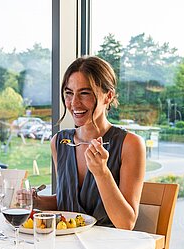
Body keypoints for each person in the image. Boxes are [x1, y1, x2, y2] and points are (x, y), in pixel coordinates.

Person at [34, 56, 146, 230]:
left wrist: (102, 173)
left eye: (85, 93)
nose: (74, 103)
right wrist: (36, 201)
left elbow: (126, 223)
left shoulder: (130, 144)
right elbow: (67, 201)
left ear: (108, 96)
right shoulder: (59, 142)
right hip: (67, 246)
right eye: (69, 93)